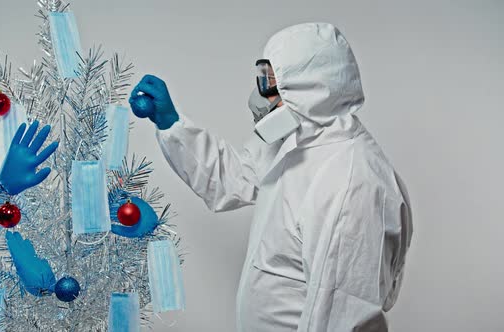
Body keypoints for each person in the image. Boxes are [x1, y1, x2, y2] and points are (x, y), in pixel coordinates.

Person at [129, 22, 413, 332]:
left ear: (310, 91)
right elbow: (234, 180)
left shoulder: (349, 182)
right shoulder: (298, 139)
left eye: (271, 85)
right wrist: (173, 126)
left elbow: (341, 316)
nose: (260, 96)